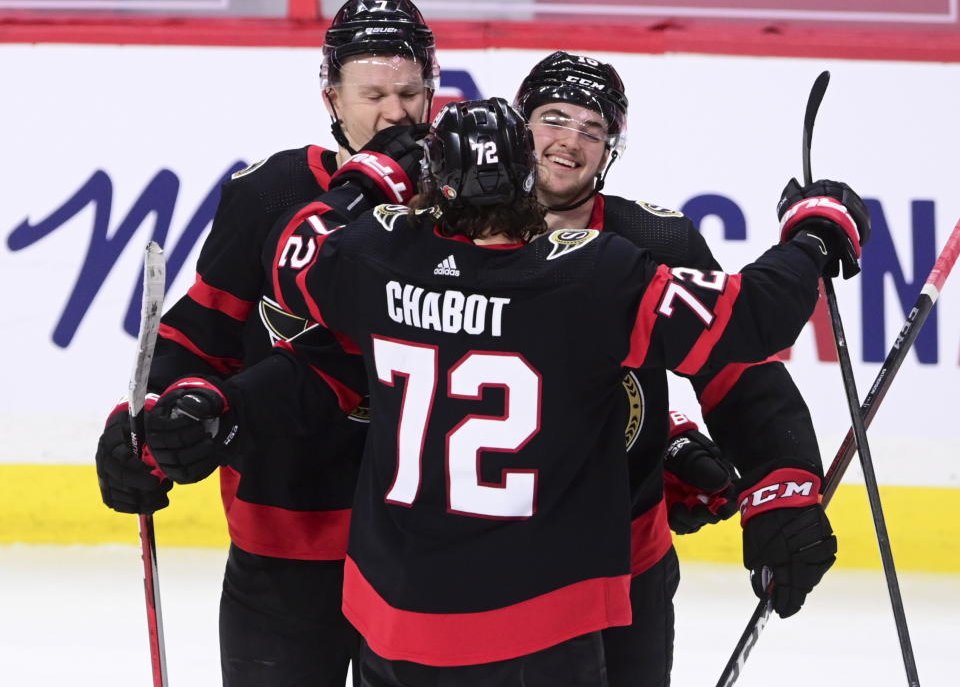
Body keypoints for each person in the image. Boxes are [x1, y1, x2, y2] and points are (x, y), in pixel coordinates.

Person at [144, 98, 868, 686]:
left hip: (395, 625)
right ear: (528, 181)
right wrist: (814, 236)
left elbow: (293, 245)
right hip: (540, 629)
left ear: (438, 187)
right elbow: (757, 317)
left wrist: (364, 181)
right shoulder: (592, 281)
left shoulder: (374, 263)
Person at [94, 0, 436, 686]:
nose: (395, 113)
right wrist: (146, 422)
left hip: (420, 546)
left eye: (409, 92)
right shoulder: (269, 194)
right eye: (373, 93)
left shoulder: (460, 204)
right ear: (331, 97)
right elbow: (201, 333)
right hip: (283, 535)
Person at [515, 50, 827, 686]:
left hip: (632, 554)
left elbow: (734, 369)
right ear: (519, 127)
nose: (570, 143)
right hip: (500, 564)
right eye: (553, 118)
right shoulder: (460, 232)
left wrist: (781, 480)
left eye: (593, 129)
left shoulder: (654, 241)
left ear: (612, 149)